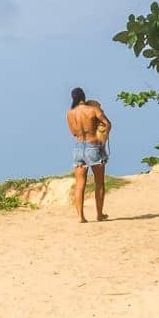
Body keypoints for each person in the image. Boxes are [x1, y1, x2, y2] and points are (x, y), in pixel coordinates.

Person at [66, 86, 111, 223]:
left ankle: (81, 217)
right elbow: (107, 123)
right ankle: (99, 214)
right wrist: (102, 137)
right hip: (93, 146)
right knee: (99, 183)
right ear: (83, 97)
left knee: (80, 185)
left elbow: (73, 132)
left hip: (78, 148)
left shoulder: (70, 113)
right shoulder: (93, 110)